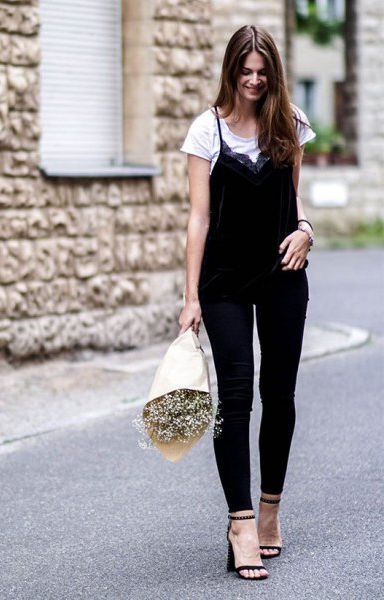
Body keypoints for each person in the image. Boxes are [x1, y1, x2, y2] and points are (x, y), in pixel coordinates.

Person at [178, 25, 316, 581]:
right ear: (231, 70)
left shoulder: (292, 126)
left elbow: (295, 199)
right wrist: (190, 297)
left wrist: (306, 229)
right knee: (235, 397)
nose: (254, 81)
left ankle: (269, 513)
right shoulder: (206, 130)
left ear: (274, 75)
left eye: (263, 73)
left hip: (285, 274)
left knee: (278, 396)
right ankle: (239, 523)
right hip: (225, 282)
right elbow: (198, 218)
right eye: (245, 71)